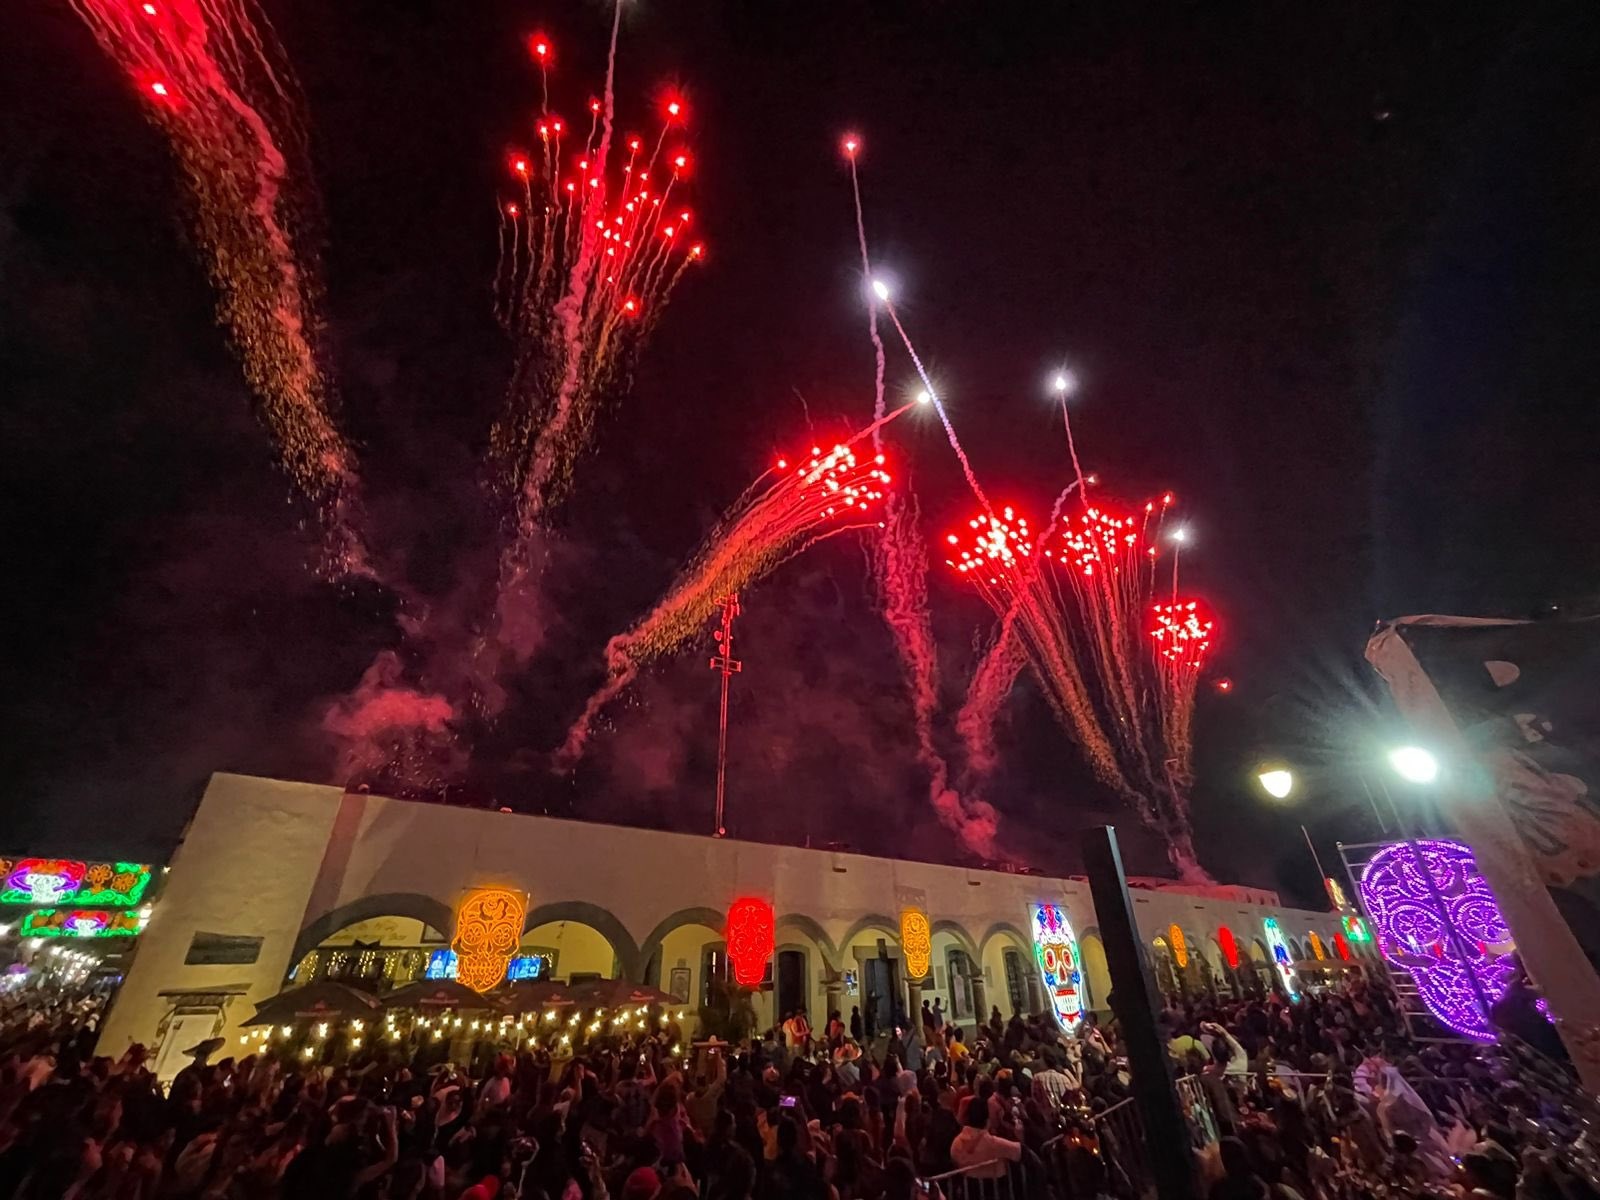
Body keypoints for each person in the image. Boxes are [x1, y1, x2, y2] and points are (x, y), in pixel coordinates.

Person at [948, 1095, 1021, 1180]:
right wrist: (1019, 1135)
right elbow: (1019, 1152)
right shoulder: (994, 1143)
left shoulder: (955, 1144)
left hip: (967, 1190)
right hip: (996, 1189)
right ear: (987, 1120)